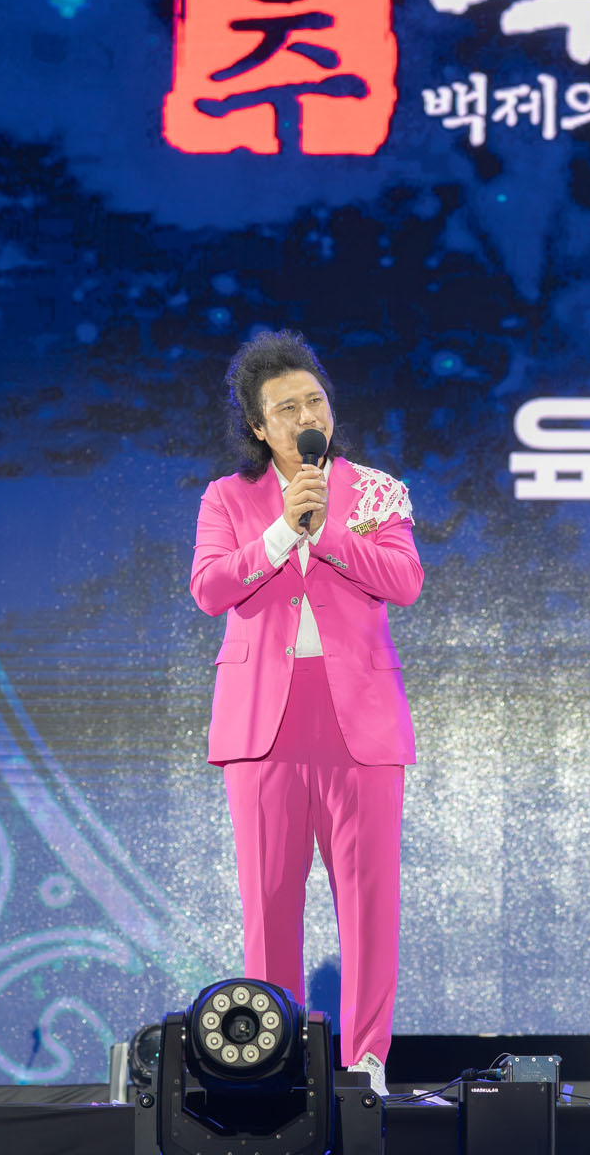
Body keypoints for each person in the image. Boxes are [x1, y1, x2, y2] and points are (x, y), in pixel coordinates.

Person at [190, 329, 422, 1097]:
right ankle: (276, 1061)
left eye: (314, 400)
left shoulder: (377, 491)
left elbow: (405, 580)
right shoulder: (228, 498)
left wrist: (327, 538)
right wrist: (284, 530)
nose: (305, 415)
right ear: (259, 427)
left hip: (361, 721)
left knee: (369, 902)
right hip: (264, 725)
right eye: (285, 408)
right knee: (270, 904)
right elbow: (211, 589)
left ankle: (368, 1063)